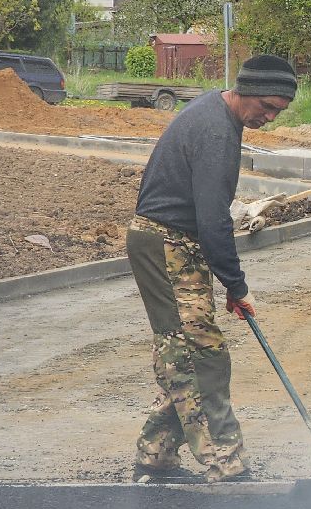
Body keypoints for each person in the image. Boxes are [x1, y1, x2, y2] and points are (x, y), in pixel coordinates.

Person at [125, 54, 298, 483]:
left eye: (279, 111)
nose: (270, 117)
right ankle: (227, 463)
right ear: (246, 91)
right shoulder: (217, 131)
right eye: (267, 106)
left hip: (175, 243)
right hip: (166, 243)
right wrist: (236, 286)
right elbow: (214, 220)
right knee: (199, 355)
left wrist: (226, 281)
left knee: (186, 350)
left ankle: (156, 457)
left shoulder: (216, 112)